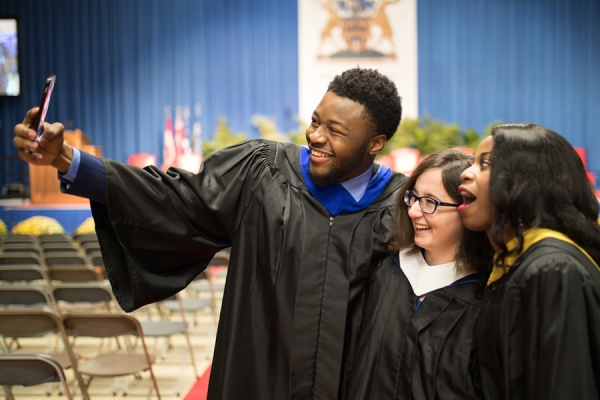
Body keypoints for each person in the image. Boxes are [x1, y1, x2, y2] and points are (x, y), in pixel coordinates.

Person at [13, 67, 405, 399]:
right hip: (257, 382)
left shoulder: (404, 209)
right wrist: (66, 160)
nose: (316, 136)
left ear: (375, 143)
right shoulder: (261, 173)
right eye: (316, 121)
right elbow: (173, 200)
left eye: (335, 131)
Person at [458, 123, 600, 400]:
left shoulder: (554, 268)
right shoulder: (512, 265)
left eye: (485, 163)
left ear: (526, 181)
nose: (465, 172)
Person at [340, 149, 493, 399]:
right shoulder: (384, 271)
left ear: (467, 210)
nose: (413, 211)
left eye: (430, 202)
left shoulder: (485, 299)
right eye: (413, 197)